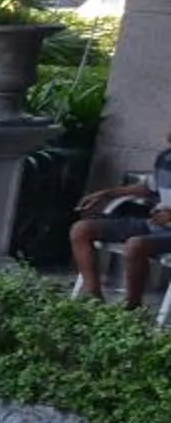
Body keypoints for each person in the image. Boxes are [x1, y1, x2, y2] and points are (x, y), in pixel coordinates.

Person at [69, 125, 171, 304]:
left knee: (135, 245)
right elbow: (148, 188)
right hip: (153, 223)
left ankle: (133, 308)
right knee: (81, 230)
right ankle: (94, 302)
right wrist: (107, 193)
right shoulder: (166, 158)